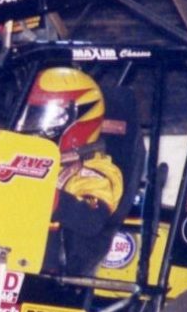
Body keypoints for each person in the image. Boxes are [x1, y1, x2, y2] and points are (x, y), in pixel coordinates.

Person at [17, 66, 124, 274]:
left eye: (38, 117)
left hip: (52, 275)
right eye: (28, 116)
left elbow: (90, 219)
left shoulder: (96, 170)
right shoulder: (23, 158)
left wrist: (33, 191)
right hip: (1, 258)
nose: (29, 126)